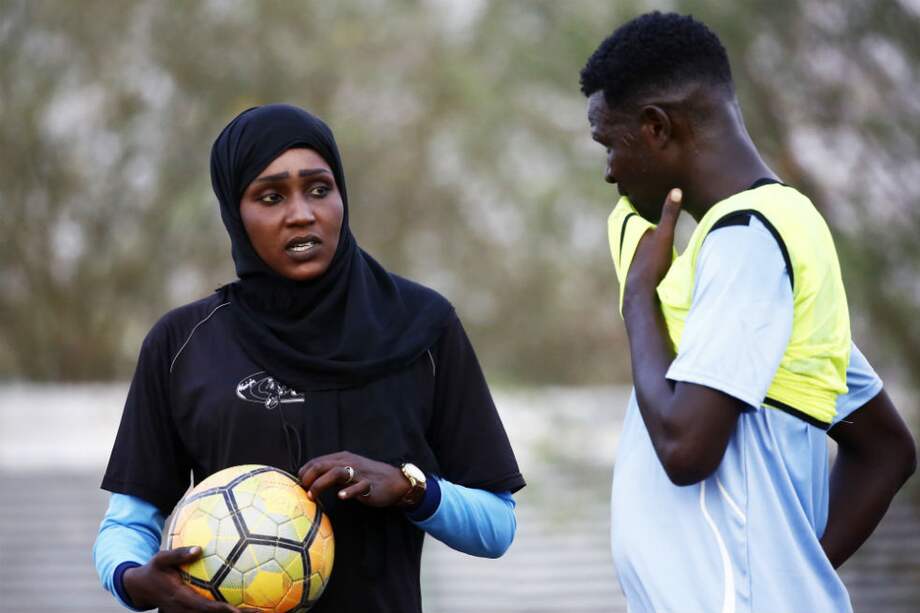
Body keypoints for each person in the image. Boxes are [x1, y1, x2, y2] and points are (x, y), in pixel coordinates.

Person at [93, 104, 525, 613]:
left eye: (319, 189)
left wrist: (411, 488)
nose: (301, 213)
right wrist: (132, 580)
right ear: (234, 212)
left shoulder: (423, 327)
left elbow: (497, 526)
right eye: (270, 196)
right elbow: (127, 524)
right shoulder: (182, 343)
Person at [580, 12, 916, 613]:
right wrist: (795, 574)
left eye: (610, 144)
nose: (609, 172)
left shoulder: (749, 242)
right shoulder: (748, 252)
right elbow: (886, 449)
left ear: (656, 127)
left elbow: (686, 449)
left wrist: (637, 301)